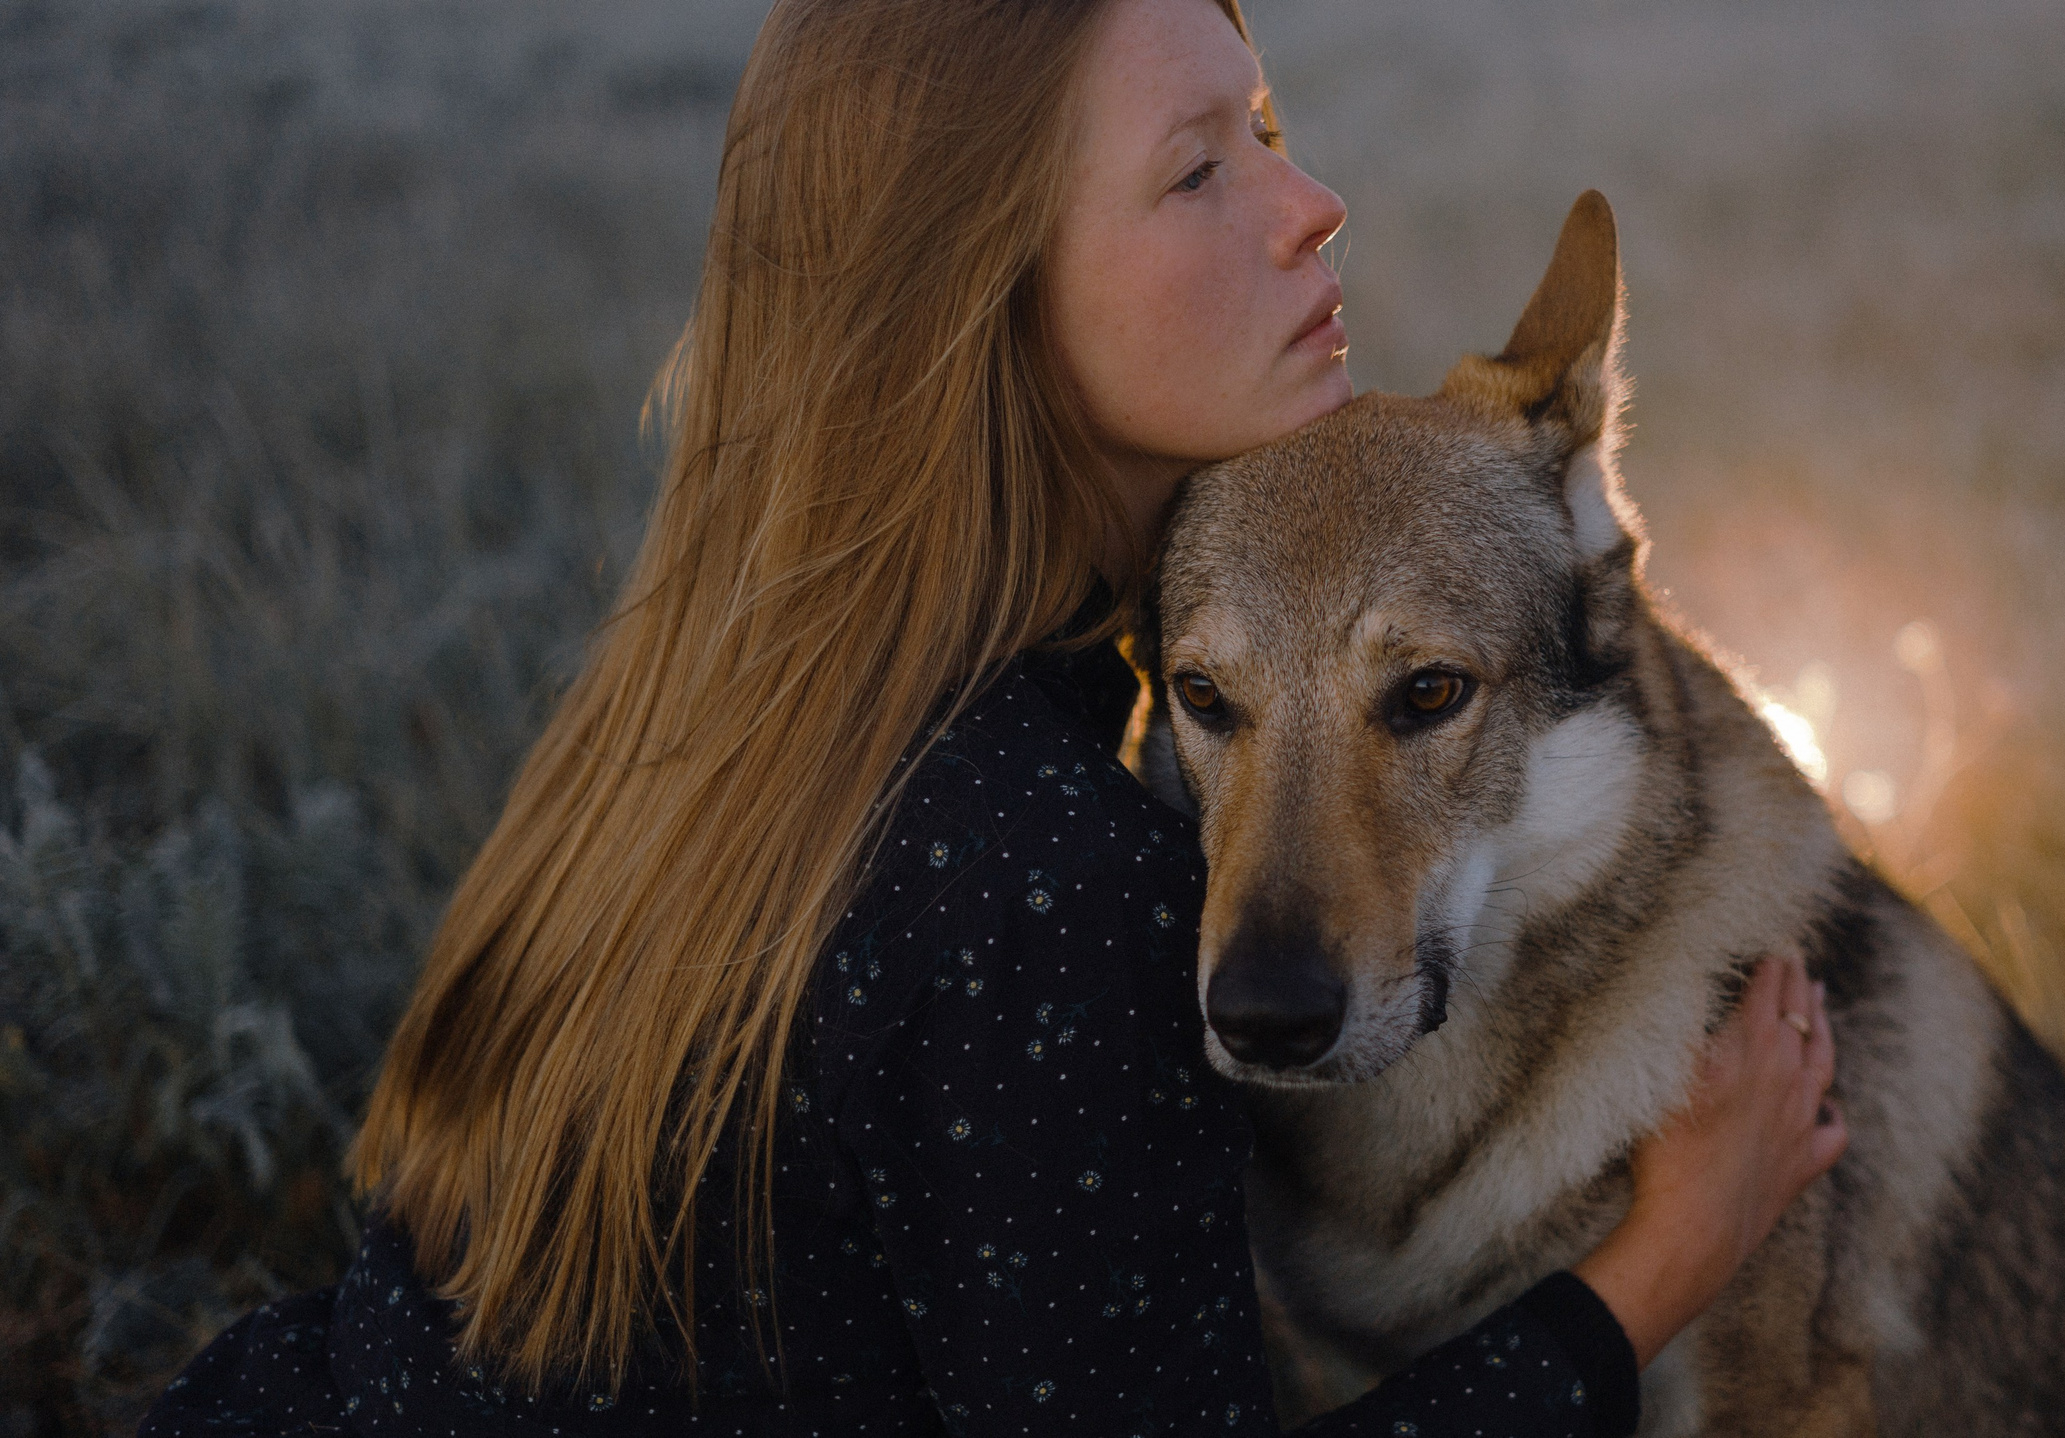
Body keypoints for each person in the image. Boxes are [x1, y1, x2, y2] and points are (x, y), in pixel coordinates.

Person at [144, 0, 1846, 1432]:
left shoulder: (725, 700)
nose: (1315, 200)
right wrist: (1660, 1264)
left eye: (1267, 123)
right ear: (981, 287)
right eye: (1198, 169)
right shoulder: (1040, 877)